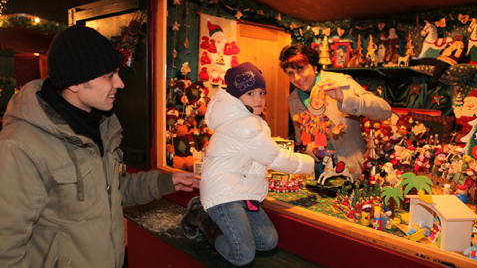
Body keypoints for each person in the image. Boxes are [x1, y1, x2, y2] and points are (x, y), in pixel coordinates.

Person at [0, 26, 199, 267]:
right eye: (109, 75)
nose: (120, 83)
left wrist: (166, 182)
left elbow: (112, 188)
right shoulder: (19, 145)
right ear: (75, 82)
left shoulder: (102, 126)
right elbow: (6, 247)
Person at [181, 62, 314, 266]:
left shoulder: (247, 120)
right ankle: (200, 215)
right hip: (224, 194)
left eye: (262, 92)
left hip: (243, 191)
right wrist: (311, 164)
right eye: (250, 94)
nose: (259, 99)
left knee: (268, 240)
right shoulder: (244, 125)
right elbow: (276, 158)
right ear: (235, 97)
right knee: (242, 255)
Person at [279, 43, 392, 180]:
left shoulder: (341, 82)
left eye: (301, 69)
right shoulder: (294, 100)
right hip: (317, 179)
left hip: (352, 174)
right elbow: (302, 141)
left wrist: (344, 98)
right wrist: (314, 153)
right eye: (291, 73)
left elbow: (385, 111)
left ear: (314, 66)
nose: (296, 78)